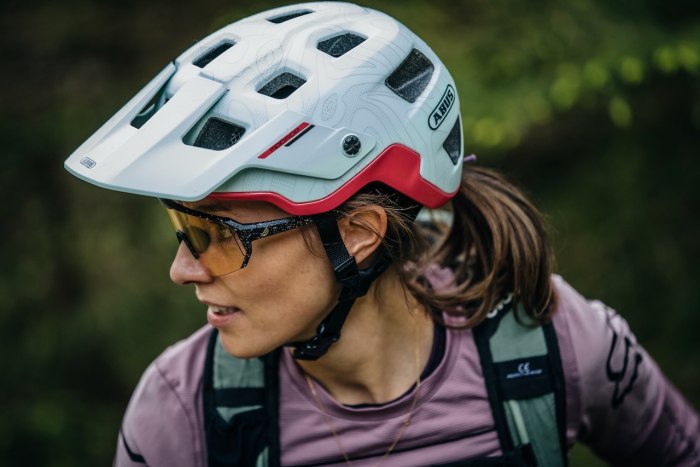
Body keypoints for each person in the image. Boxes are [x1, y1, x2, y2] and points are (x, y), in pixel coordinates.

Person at [64, 2, 699, 466]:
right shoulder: (182, 412)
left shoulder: (551, 340)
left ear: (359, 232)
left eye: (218, 234)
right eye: (182, 226)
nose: (182, 269)